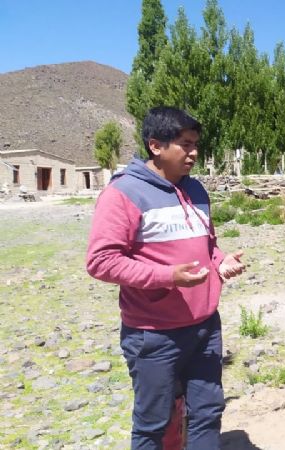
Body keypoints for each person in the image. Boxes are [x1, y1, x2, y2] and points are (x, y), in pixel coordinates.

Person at [86, 106, 245, 449]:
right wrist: (167, 276)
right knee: (154, 425)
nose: (194, 153)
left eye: (196, 144)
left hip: (205, 328)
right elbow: (100, 261)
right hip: (154, 334)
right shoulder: (124, 193)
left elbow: (208, 245)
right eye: (185, 144)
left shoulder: (197, 190)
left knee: (207, 412)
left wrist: (221, 261)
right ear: (155, 146)